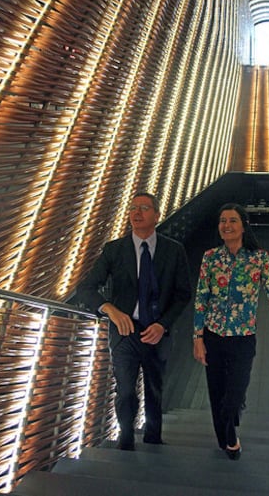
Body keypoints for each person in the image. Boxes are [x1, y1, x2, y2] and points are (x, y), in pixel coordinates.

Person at [77, 192, 192, 450]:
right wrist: (110, 310)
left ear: (157, 215)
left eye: (144, 208)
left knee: (154, 390)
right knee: (126, 390)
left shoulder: (173, 251)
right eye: (133, 208)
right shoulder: (114, 250)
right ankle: (125, 439)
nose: (136, 213)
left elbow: (183, 294)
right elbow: (86, 288)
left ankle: (153, 440)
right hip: (124, 331)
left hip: (156, 331)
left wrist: (163, 324)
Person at [193, 203, 269, 460]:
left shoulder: (259, 258)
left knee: (236, 391)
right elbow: (201, 298)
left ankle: (229, 425)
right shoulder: (211, 257)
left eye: (233, 220)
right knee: (216, 390)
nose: (227, 225)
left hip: (243, 337)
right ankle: (227, 437)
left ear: (243, 226)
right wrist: (197, 337)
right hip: (213, 335)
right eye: (223, 221)